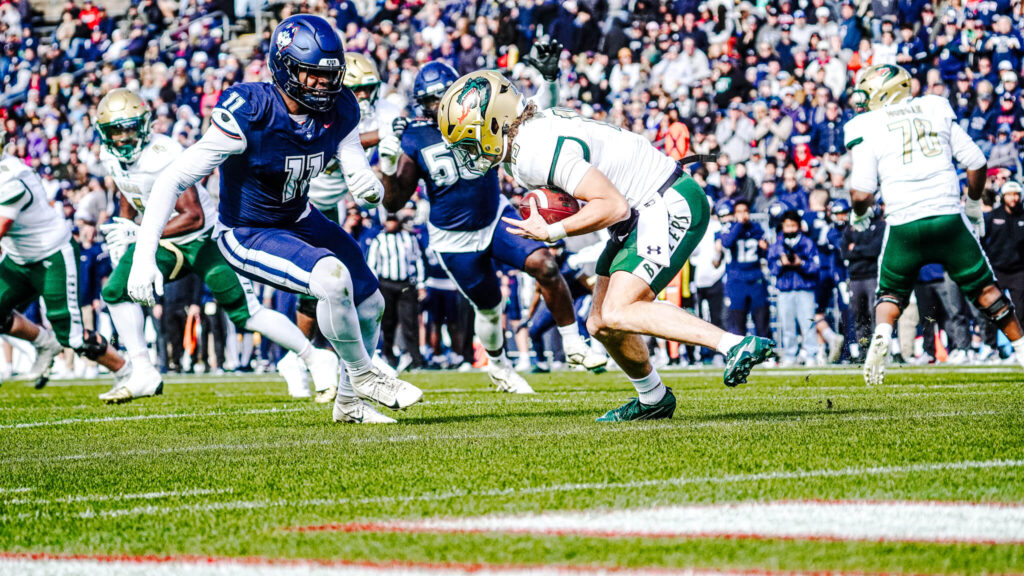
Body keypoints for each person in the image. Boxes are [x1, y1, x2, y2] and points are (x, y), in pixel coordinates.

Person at [127, 15, 423, 424]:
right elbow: (173, 178)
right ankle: (363, 375)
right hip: (248, 231)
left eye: (330, 75)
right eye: (313, 74)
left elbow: (352, 158)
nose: (324, 84)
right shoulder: (252, 110)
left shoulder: (340, 108)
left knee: (370, 302)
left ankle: (351, 404)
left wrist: (365, 182)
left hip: (299, 216)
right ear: (285, 67)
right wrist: (144, 255)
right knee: (333, 280)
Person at [438, 70, 776, 422]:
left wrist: (552, 232)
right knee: (600, 323)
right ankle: (653, 399)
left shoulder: (532, 152)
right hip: (640, 211)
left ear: (495, 122)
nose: (468, 152)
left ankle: (734, 344)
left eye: (469, 140)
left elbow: (613, 205)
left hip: (663, 202)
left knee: (618, 310)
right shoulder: (527, 134)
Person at [381, 49, 607, 396]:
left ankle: (573, 343)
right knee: (489, 309)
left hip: (495, 215)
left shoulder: (483, 113)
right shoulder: (415, 136)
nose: (440, 105)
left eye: (445, 96)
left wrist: (549, 80)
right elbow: (395, 201)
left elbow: (535, 116)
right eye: (432, 101)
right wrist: (389, 153)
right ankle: (500, 368)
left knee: (545, 264)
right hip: (453, 240)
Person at [94, 88, 341, 403]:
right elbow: (127, 192)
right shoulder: (108, 156)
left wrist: (139, 233)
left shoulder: (163, 154)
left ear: (145, 126)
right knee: (116, 290)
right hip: (166, 242)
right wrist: (123, 227)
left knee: (246, 313)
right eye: (116, 132)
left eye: (129, 129)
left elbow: (193, 216)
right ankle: (142, 370)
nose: (123, 139)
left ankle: (314, 357)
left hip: (205, 239)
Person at [845, 64, 1024, 384]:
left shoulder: (867, 124)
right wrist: (971, 204)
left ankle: (882, 334)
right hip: (946, 217)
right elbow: (976, 161)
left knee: (889, 293)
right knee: (986, 290)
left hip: (903, 224)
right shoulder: (933, 106)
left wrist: (859, 213)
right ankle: (1022, 350)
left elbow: (861, 190)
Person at [0, 135, 135, 393]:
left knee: (72, 336)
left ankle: (126, 370)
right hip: (18, 258)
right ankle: (43, 342)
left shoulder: (10, 179)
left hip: (51, 255)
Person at [366, 213, 425, 370]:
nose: (391, 223)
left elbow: (418, 260)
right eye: (389, 220)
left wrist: (420, 285)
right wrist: (374, 288)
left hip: (406, 285)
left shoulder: (409, 238)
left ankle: (415, 358)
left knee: (410, 323)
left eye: (394, 220)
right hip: (386, 284)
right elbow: (372, 265)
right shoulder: (379, 240)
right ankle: (389, 356)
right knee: (387, 323)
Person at [768, 210, 821, 366]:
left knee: (808, 324)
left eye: (793, 225)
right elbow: (771, 267)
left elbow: (816, 266)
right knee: (787, 325)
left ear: (798, 226)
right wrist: (780, 263)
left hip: (804, 288)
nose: (790, 229)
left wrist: (801, 263)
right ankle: (790, 354)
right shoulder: (777, 245)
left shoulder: (807, 243)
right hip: (785, 289)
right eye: (787, 226)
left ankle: (811, 354)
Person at [717, 199, 771, 340]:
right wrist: (739, 224)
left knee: (761, 318)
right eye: (739, 211)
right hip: (736, 279)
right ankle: (739, 352)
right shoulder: (730, 228)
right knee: (737, 320)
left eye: (745, 211)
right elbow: (727, 243)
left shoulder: (756, 228)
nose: (743, 214)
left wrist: (765, 247)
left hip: (755, 278)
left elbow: (766, 253)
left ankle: (766, 354)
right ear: (734, 213)